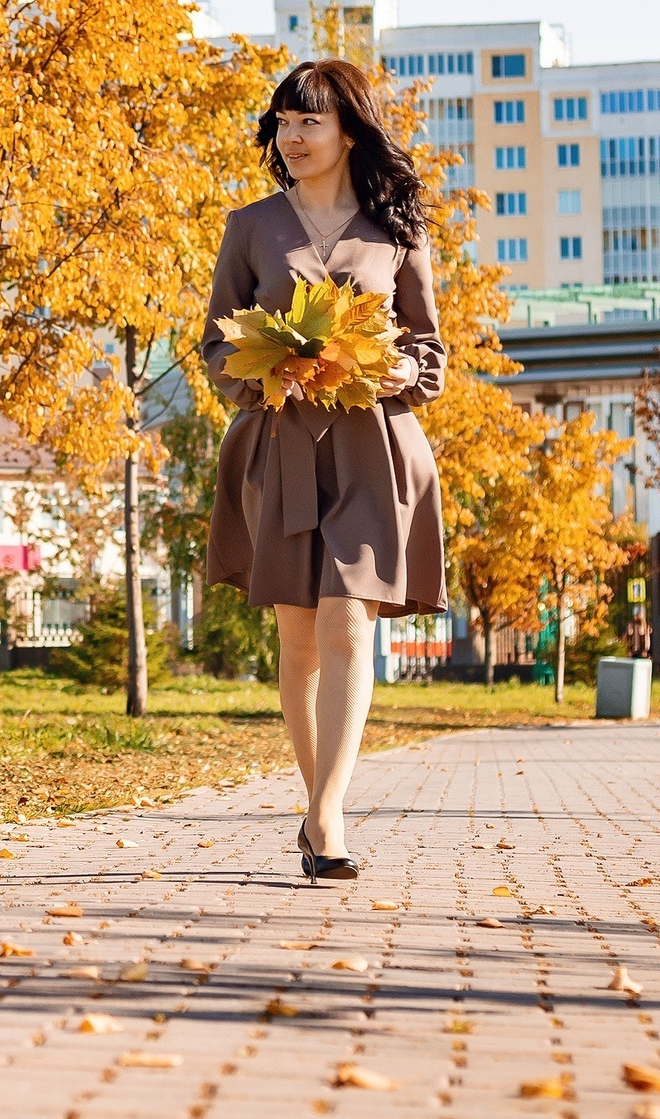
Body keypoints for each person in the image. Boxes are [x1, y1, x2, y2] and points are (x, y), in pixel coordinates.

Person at [203, 58, 446, 883]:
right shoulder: (250, 227)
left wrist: (402, 370)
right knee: (300, 639)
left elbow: (429, 348)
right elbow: (216, 345)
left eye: (310, 120)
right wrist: (266, 373)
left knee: (349, 622)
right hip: (281, 448)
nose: (293, 136)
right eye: (283, 121)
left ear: (349, 130)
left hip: (373, 449)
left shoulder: (397, 229)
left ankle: (328, 813)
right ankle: (318, 808)